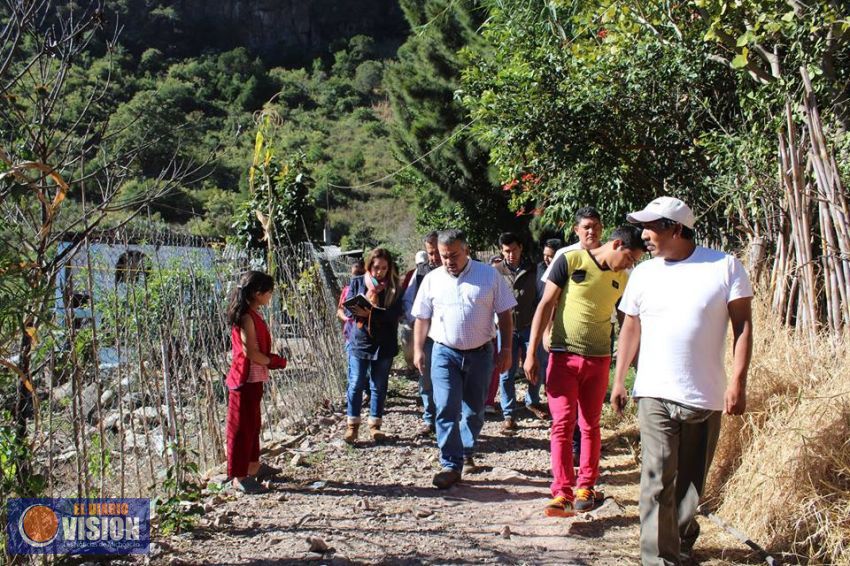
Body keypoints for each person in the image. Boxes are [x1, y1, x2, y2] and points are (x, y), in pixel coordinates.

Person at [610, 197, 753, 565]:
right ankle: (659, 558)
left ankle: (682, 536)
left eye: (651, 227)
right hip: (654, 390)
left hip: (704, 394)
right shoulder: (643, 273)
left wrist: (738, 381)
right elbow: (631, 325)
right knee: (656, 480)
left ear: (676, 228)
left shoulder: (724, 266)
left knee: (690, 485)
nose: (644, 236)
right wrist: (620, 378)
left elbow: (743, 327)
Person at [525, 226, 647, 516]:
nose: (631, 264)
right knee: (562, 424)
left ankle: (586, 487)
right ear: (616, 244)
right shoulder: (570, 261)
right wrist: (531, 353)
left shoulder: (623, 279)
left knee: (590, 425)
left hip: (599, 359)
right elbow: (545, 306)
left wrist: (635, 365)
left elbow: (628, 322)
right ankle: (561, 492)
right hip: (562, 357)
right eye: (630, 257)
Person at [412, 229, 516, 489]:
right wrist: (417, 350)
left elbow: (505, 315)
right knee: (445, 406)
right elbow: (422, 317)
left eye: (453, 255)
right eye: (444, 256)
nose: (448, 261)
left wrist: (506, 351)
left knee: (474, 410)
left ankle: (466, 449)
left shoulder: (489, 276)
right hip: (444, 352)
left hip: (481, 353)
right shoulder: (432, 279)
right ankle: (450, 463)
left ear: (466, 250)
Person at [541, 207, 605, 463]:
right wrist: (546, 332)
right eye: (586, 226)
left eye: (596, 225)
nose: (592, 231)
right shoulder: (565, 256)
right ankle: (569, 457)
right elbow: (550, 300)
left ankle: (583, 453)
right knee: (565, 412)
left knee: (589, 414)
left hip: (599, 341)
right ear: (576, 230)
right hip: (565, 343)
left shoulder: (612, 257)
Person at [225, 271, 287, 494]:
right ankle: (239, 476)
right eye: (269, 292)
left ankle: (253, 466)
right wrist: (273, 361)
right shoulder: (246, 317)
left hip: (254, 378)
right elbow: (250, 352)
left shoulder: (253, 313)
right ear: (259, 293)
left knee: (252, 425)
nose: (271, 295)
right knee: (241, 429)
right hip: (244, 379)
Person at [343, 248, 404, 444]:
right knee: (356, 383)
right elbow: (349, 309)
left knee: (379, 385)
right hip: (360, 341)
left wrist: (375, 313)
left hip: (384, 342)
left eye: (384, 268)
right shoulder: (358, 282)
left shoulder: (394, 286)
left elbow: (396, 312)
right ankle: (352, 425)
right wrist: (362, 310)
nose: (380, 272)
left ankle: (375, 425)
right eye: (376, 267)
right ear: (369, 266)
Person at [494, 232, 548, 433]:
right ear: (501, 251)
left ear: (521, 248)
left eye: (514, 249)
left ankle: (532, 401)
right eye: (507, 251)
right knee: (505, 371)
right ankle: (508, 413)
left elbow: (541, 298)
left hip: (529, 327)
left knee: (535, 366)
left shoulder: (534, 269)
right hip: (506, 329)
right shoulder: (496, 272)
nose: (511, 254)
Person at [402, 231, 443, 437]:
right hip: (427, 333)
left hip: (448, 335)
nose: (434, 257)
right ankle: (430, 417)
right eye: (430, 253)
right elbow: (409, 300)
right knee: (426, 377)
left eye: (437, 252)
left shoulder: (457, 269)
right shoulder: (420, 272)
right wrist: (416, 319)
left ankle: (448, 418)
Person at [337, 259, 366, 350]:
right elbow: (340, 310)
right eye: (355, 275)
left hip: (365, 334)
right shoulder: (346, 290)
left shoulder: (371, 289)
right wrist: (347, 319)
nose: (356, 278)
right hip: (351, 333)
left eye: (359, 274)